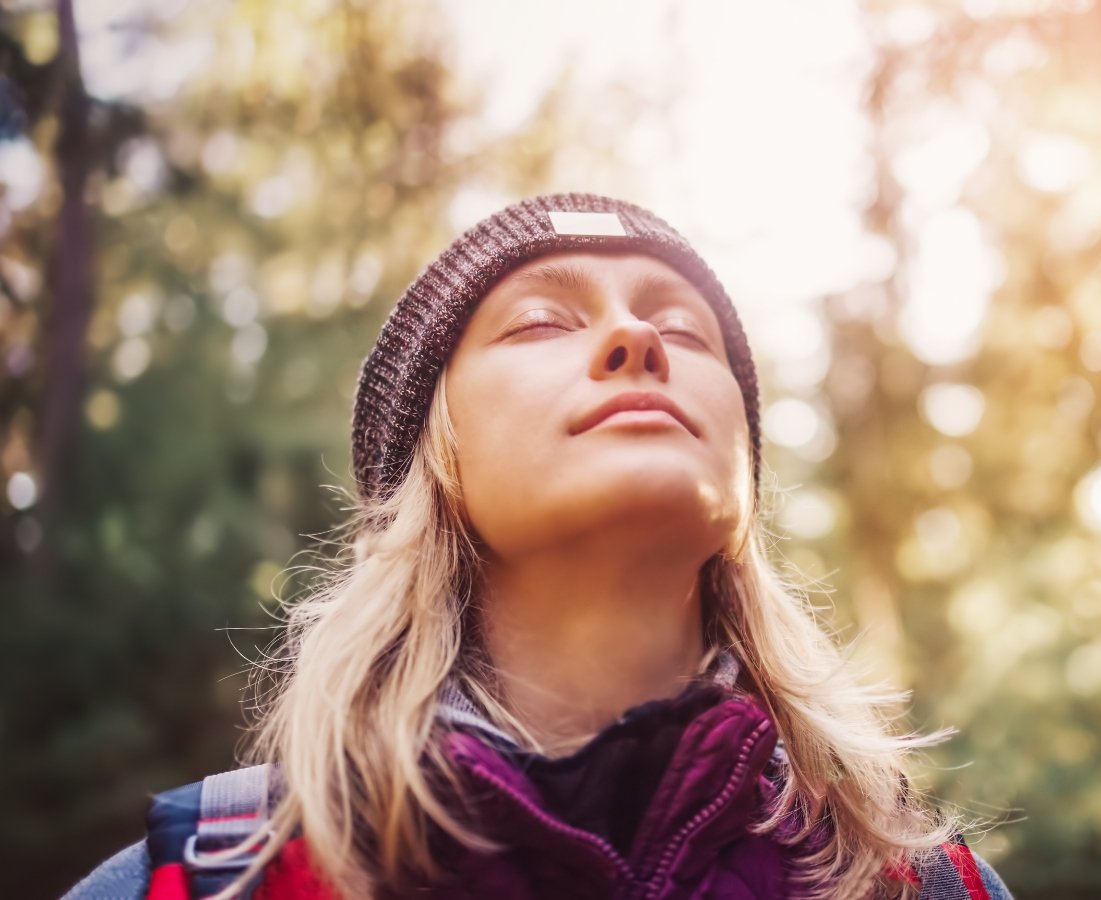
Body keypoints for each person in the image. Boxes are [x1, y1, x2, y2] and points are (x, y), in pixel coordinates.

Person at [66, 193, 1012, 899]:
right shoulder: (202, 879)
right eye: (542, 322)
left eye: (685, 329)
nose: (638, 336)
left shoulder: (922, 886)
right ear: (431, 464)